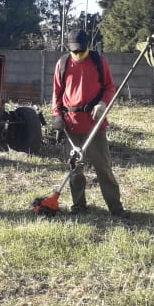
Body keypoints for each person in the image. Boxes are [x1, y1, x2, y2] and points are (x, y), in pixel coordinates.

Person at [51, 29, 128, 219]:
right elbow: (57, 93)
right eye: (75, 51)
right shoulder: (62, 64)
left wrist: (102, 104)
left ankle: (116, 208)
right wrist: (57, 115)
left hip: (95, 126)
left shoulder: (99, 62)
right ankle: (79, 206)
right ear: (69, 48)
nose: (78, 54)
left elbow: (109, 88)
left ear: (88, 46)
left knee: (104, 168)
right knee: (75, 170)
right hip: (71, 126)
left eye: (81, 50)